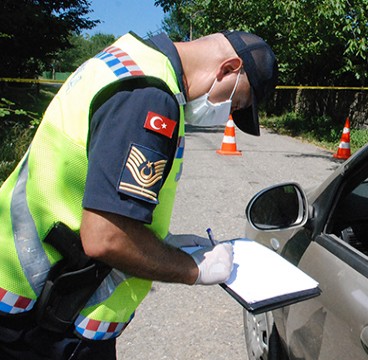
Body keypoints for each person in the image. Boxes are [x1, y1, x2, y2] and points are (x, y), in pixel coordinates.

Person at [0, 29, 277, 359]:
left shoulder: (127, 61)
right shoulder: (150, 96)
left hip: (24, 298)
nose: (229, 112)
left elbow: (100, 191)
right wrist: (193, 269)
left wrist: (165, 241)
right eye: (237, 101)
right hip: (42, 324)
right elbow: (106, 237)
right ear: (229, 68)